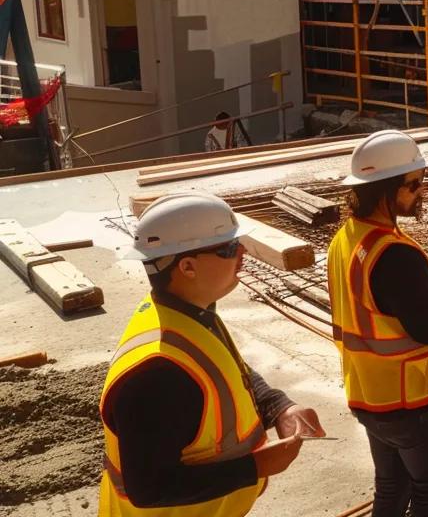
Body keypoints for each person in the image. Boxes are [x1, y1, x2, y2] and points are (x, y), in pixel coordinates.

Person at [103, 192, 324, 516]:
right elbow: (149, 488)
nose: (243, 252)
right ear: (187, 267)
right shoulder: (157, 375)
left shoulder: (189, 314)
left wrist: (279, 407)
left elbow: (228, 370)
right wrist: (255, 467)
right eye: (229, 248)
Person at [328, 129, 428, 517]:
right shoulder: (393, 255)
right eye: (413, 184)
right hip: (415, 401)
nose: (420, 192)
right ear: (384, 189)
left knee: (391, 487)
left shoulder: (347, 238)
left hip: (371, 395)